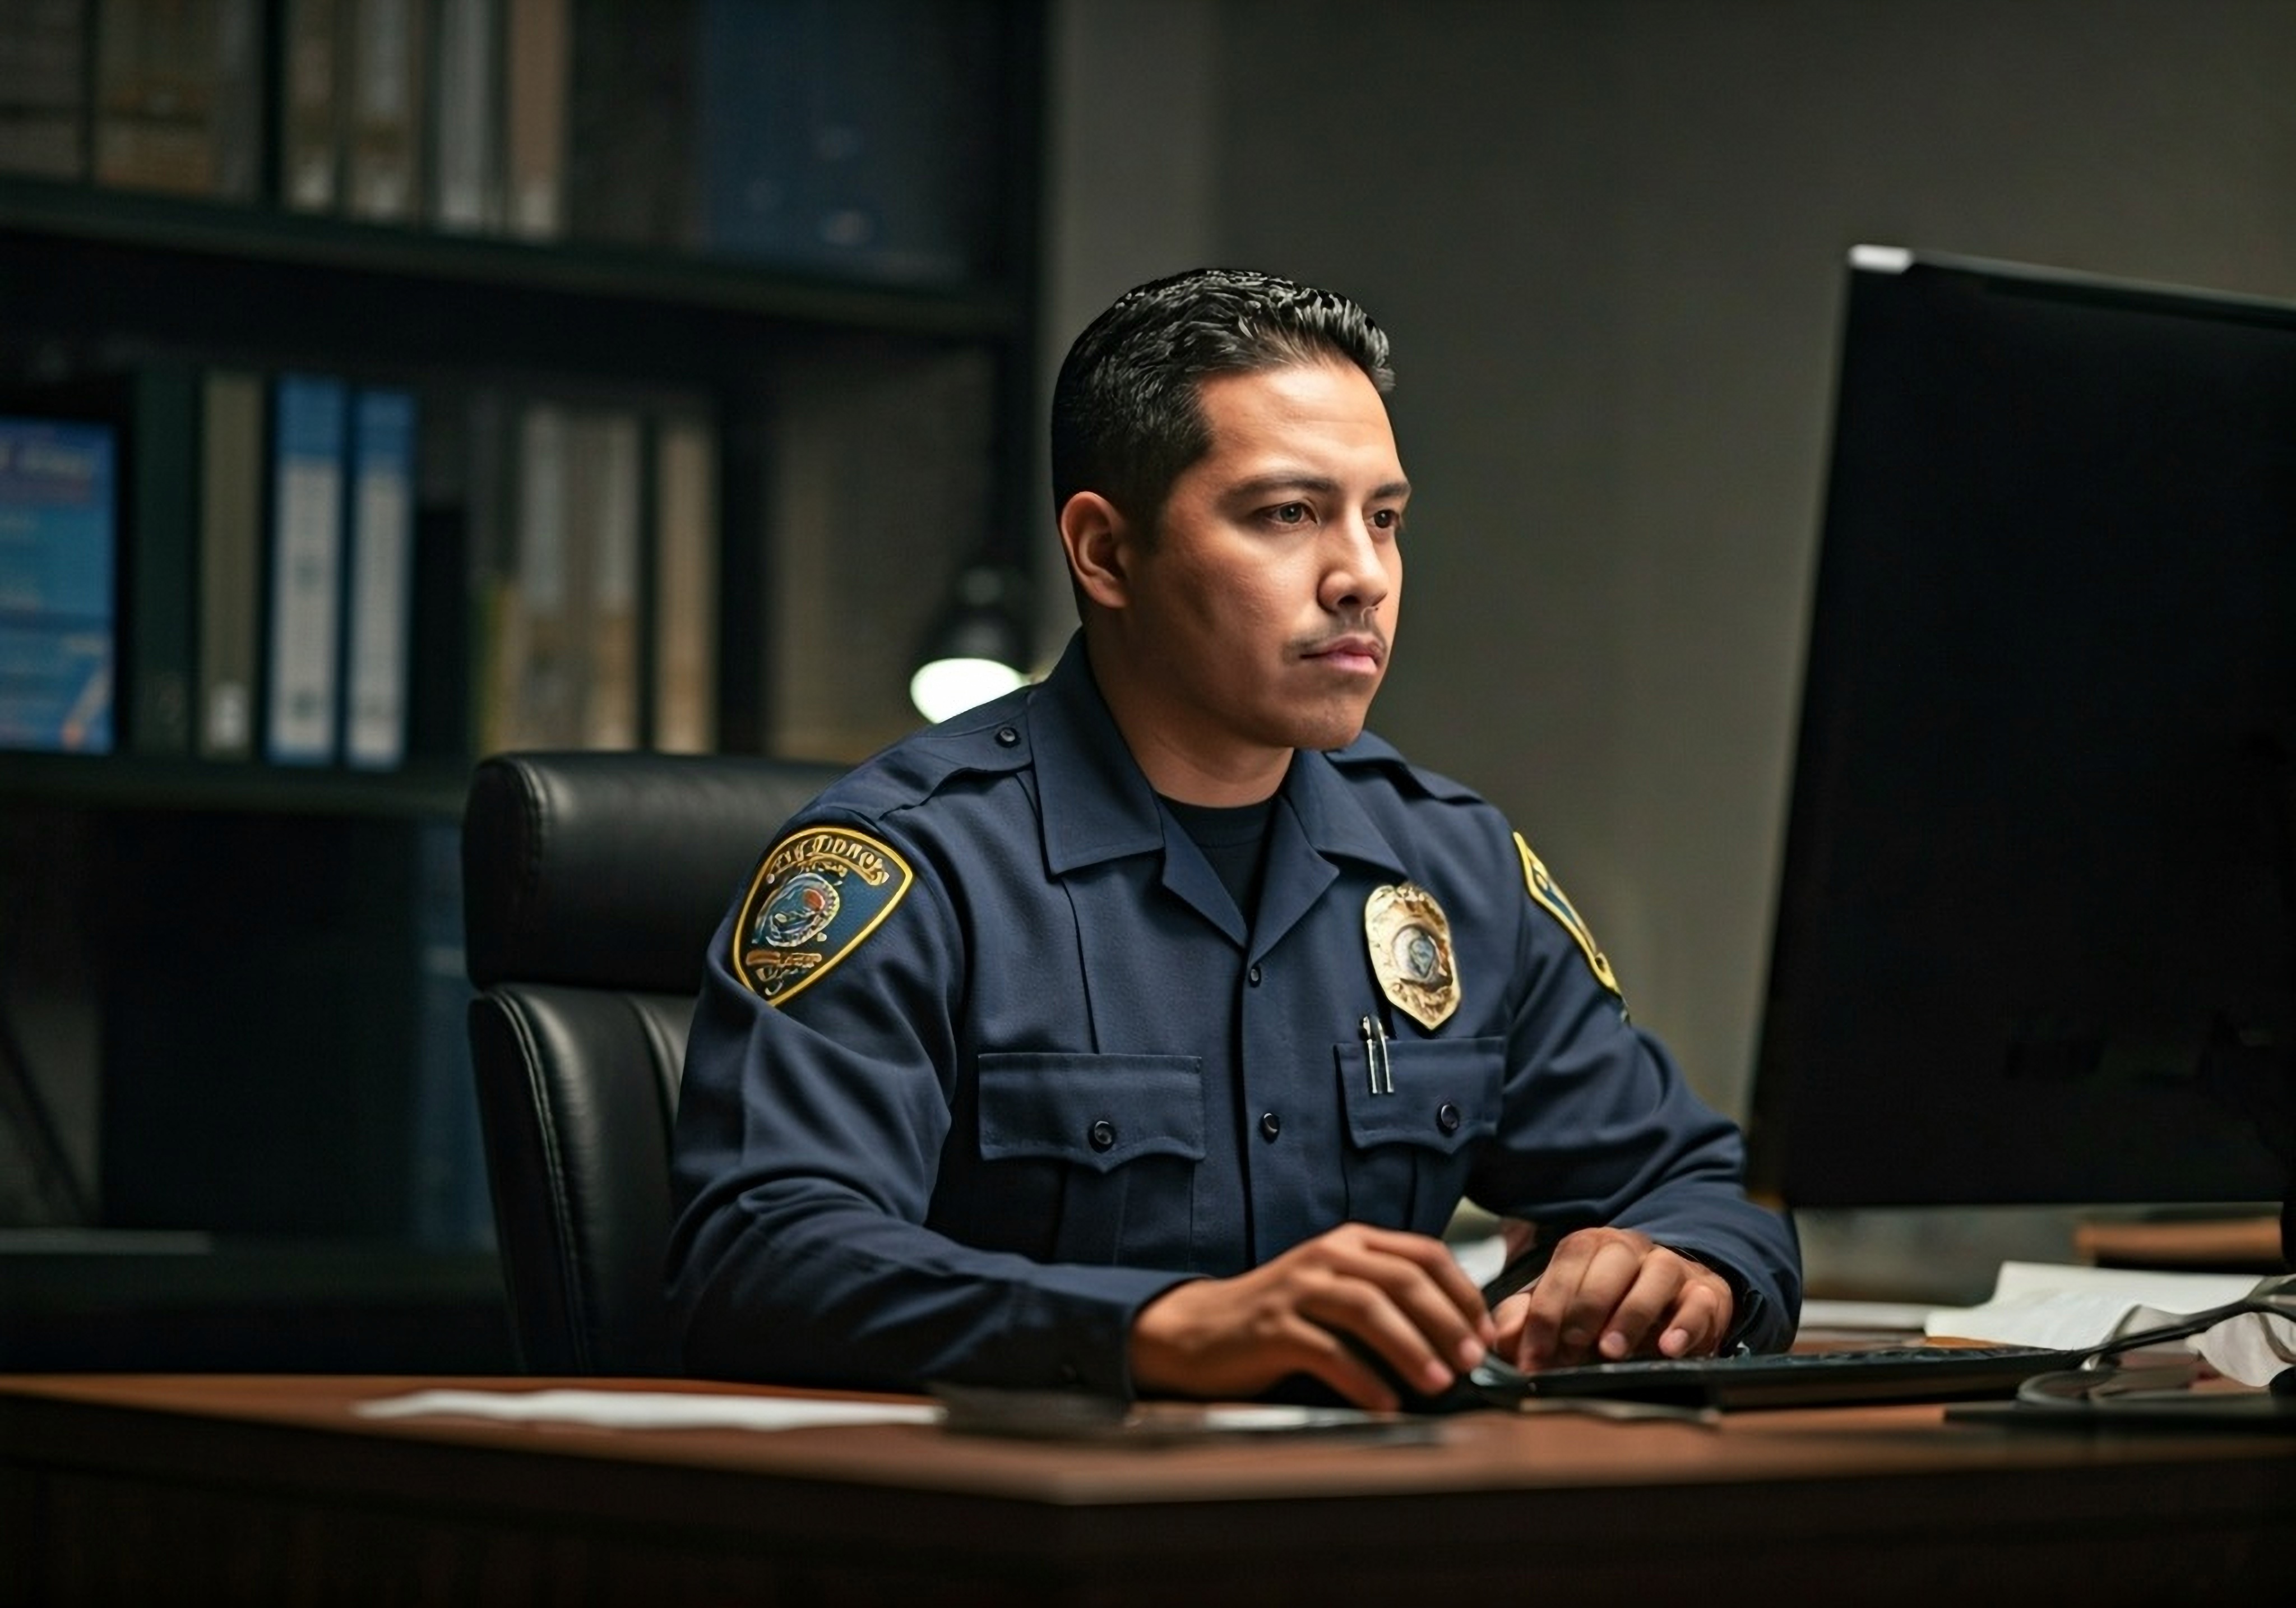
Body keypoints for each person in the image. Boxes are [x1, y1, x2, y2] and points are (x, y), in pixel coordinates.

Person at [666, 267, 1801, 1410]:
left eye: (1384, 519)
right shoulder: (906, 868)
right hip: (1039, 1546)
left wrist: (1685, 1268)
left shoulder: (1453, 867)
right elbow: (763, 1256)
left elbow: (1704, 1180)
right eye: (1286, 515)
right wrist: (1156, 1330)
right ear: (1106, 553)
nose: (1360, 575)